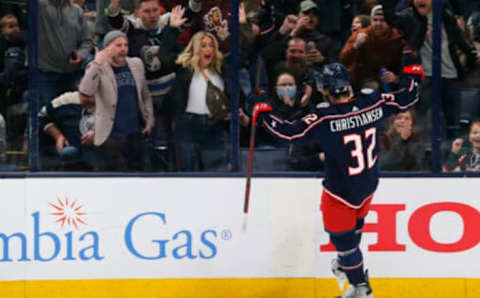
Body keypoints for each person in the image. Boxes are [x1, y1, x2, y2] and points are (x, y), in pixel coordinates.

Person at [253, 49, 424, 298]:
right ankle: (349, 268)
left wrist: (263, 112)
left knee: (342, 241)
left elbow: (289, 133)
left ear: (325, 91)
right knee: (352, 233)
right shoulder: (371, 101)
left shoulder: (324, 117)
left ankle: (361, 288)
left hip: (340, 193)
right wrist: (412, 71)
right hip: (367, 185)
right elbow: (407, 98)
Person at [78, 30, 154, 171]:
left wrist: (149, 120)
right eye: (118, 45)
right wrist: (96, 64)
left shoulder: (136, 64)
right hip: (110, 136)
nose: (123, 49)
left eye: (126, 45)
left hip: (135, 134)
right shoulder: (97, 67)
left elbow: (145, 95)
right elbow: (85, 91)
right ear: (106, 48)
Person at [171, 31, 228, 171]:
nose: (208, 49)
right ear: (196, 49)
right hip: (188, 127)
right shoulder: (184, 70)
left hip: (214, 127)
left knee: (216, 172)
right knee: (189, 172)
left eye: (211, 46)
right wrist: (172, 28)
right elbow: (163, 56)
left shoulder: (221, 70)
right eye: (203, 46)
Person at [38, 0, 94, 106]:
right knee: (49, 116)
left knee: (72, 115)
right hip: (47, 75)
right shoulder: (40, 7)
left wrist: (81, 55)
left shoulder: (77, 11)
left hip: (73, 74)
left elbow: (87, 41)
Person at [340, 5, 405, 91]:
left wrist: (397, 78)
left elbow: (407, 64)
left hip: (391, 80)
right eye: (375, 20)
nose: (378, 24)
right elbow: (343, 61)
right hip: (364, 81)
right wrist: (355, 46)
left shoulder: (399, 38)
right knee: (372, 88)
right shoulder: (360, 35)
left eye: (383, 20)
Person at [38, 91, 95, 170]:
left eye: (96, 94)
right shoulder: (66, 100)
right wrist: (58, 136)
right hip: (68, 158)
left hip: (101, 161)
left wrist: (100, 137)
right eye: (87, 96)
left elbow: (117, 140)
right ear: (79, 88)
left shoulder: (112, 102)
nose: (92, 100)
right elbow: (42, 116)